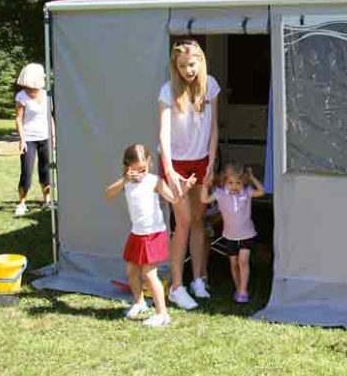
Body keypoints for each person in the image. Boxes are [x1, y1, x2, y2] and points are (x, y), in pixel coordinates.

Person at [158, 40, 220, 309]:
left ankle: (197, 280)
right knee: (182, 222)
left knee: (197, 220)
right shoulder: (167, 90)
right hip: (176, 164)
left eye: (192, 64)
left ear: (201, 61)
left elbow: (214, 128)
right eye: (182, 66)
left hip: (202, 161)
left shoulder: (211, 86)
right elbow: (163, 133)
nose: (187, 70)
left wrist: (211, 163)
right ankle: (176, 287)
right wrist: (169, 170)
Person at [105, 143, 189, 327]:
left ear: (150, 163)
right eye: (136, 170)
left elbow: (174, 199)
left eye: (144, 169)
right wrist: (124, 180)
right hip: (137, 233)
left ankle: (162, 314)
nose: (141, 174)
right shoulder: (126, 182)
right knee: (131, 271)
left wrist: (184, 189)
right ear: (127, 167)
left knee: (149, 274)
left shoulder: (154, 180)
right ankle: (139, 302)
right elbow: (108, 194)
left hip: (154, 234)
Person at [200, 163, 265, 303]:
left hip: (247, 234)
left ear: (244, 182)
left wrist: (252, 177)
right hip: (230, 236)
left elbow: (261, 191)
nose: (234, 186)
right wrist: (205, 186)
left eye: (238, 183)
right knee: (234, 263)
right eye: (230, 183)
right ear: (224, 181)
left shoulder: (246, 192)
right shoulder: (220, 193)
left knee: (243, 261)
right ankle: (238, 287)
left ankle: (243, 291)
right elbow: (204, 199)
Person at [14, 63, 53, 216]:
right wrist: (22, 139)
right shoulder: (21, 96)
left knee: (46, 170)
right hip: (29, 138)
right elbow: (18, 119)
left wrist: (53, 136)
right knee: (26, 171)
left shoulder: (47, 95)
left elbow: (50, 117)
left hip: (45, 137)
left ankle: (47, 201)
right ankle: (22, 204)